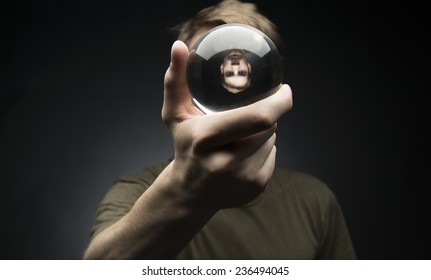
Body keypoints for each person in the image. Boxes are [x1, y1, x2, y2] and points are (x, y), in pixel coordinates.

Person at [83, 0, 356, 260]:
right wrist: (184, 192)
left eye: (246, 63)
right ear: (183, 82)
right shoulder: (136, 192)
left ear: (269, 80)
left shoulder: (314, 201)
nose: (232, 68)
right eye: (210, 65)